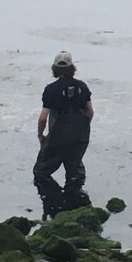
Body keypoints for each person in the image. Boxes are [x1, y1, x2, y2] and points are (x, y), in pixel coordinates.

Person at [33, 51, 94, 220]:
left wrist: (41, 135)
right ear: (72, 68)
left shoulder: (51, 89)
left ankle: (55, 203)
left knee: (41, 172)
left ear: (54, 69)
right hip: (80, 135)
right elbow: (90, 112)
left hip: (58, 134)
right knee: (74, 169)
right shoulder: (82, 86)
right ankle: (76, 201)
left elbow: (43, 118)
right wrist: (82, 130)